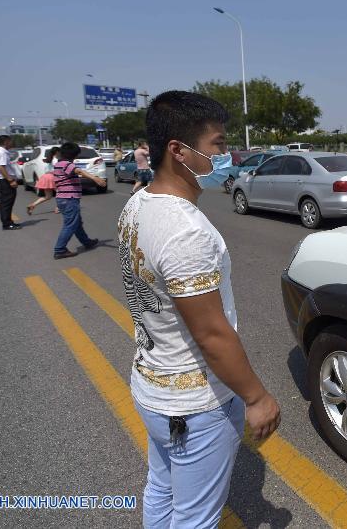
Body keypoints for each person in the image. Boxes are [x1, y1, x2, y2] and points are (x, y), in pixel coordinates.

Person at [118, 90, 280, 527]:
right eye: (219, 145)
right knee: (196, 517)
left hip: (151, 387)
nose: (225, 156)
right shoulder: (185, 232)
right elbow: (211, 335)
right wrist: (257, 397)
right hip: (194, 404)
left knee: (161, 489)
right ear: (178, 151)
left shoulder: (137, 203)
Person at [51, 142, 104, 259]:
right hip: (69, 199)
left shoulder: (59, 164)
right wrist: (95, 178)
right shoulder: (66, 164)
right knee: (70, 225)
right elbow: (78, 171)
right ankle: (59, 249)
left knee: (77, 223)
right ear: (74, 155)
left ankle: (86, 242)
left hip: (63, 198)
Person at [0, 135, 22, 229]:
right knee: (6, 203)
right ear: (6, 142)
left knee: (8, 202)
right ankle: (7, 224)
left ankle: (9, 221)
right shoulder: (1, 153)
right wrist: (10, 180)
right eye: (10, 141)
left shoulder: (2, 152)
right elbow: (1, 167)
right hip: (5, 181)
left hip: (4, 180)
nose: (11, 143)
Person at [27, 146, 60, 215]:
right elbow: (57, 170)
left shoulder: (49, 159)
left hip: (45, 177)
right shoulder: (56, 160)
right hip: (52, 177)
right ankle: (58, 208)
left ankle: (32, 205)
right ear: (57, 152)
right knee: (60, 193)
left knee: (48, 196)